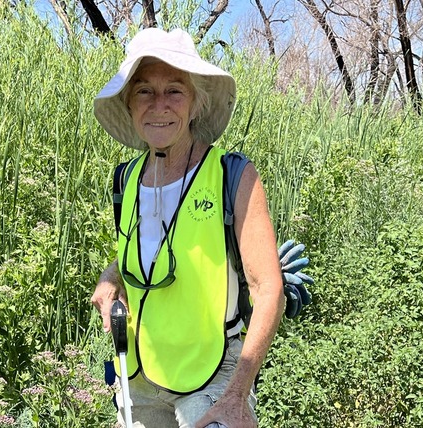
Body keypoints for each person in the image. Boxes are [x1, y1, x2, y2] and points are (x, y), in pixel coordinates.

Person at [91, 27, 285, 428]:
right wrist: (112, 275)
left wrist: (236, 398)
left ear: (196, 102)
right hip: (141, 374)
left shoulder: (232, 176)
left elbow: (269, 288)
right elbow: (145, 248)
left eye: (175, 90)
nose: (159, 105)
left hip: (213, 371)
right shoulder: (125, 181)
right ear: (128, 103)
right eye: (144, 91)